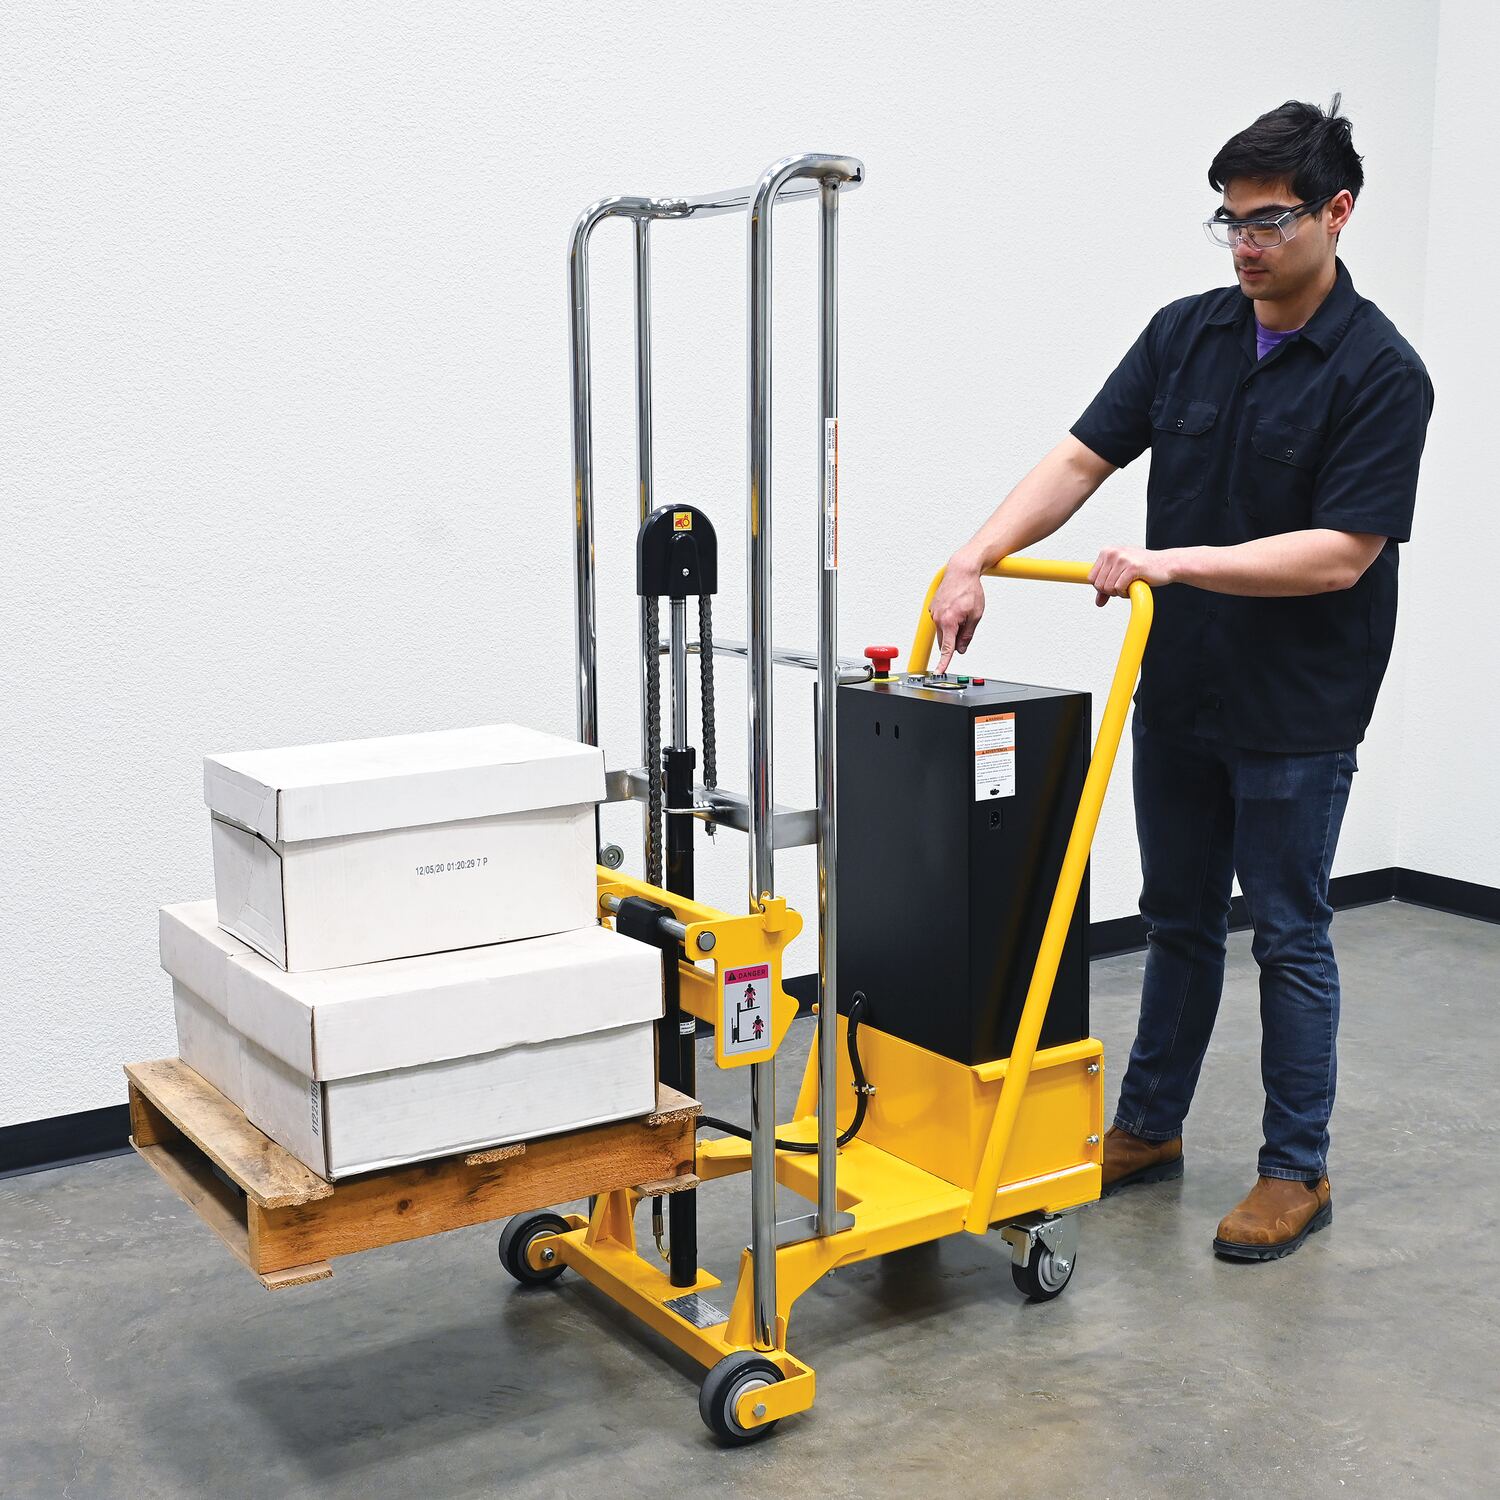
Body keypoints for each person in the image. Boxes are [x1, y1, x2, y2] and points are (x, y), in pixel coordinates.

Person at [929, 96, 1433, 1261]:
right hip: (1185, 684)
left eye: (1270, 220)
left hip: (1298, 703)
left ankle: (1294, 1169)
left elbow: (1341, 554)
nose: (1246, 245)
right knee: (1178, 918)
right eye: (1231, 221)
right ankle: (1150, 1127)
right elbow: (1080, 459)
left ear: (1338, 212)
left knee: (1289, 933)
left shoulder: (1381, 372)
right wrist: (974, 555)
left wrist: (1173, 562)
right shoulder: (1187, 335)